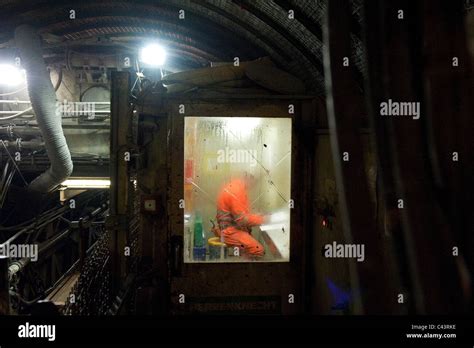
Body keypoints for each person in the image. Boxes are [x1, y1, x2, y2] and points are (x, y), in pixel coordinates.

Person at [215, 174, 266, 257]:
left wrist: (258, 216)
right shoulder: (236, 190)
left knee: (249, 245)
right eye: (255, 181)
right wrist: (264, 219)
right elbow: (242, 220)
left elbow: (240, 214)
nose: (255, 185)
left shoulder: (238, 187)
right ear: (248, 177)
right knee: (257, 250)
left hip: (232, 228)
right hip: (229, 232)